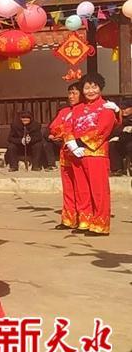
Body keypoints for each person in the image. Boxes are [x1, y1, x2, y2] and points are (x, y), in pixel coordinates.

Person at [66, 73, 118, 236]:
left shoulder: (106, 108)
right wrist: (71, 143)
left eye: (94, 87)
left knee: (98, 190)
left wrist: (80, 142)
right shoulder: (77, 109)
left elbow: (103, 130)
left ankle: (100, 224)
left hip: (96, 153)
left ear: (100, 88)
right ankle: (85, 220)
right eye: (87, 87)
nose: (90, 91)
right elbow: (68, 127)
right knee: (81, 189)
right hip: (77, 154)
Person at [49, 83, 84, 230]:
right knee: (68, 188)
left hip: (80, 154)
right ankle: (69, 219)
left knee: (81, 188)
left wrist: (65, 132)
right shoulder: (64, 111)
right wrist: (65, 133)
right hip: (65, 153)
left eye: (75, 93)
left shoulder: (85, 111)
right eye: (70, 93)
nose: (71, 96)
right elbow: (54, 128)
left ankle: (83, 219)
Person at [108, 97, 132, 176]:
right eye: (122, 108)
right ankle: (117, 169)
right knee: (112, 144)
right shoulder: (119, 118)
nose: (123, 110)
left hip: (129, 142)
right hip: (122, 142)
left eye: (126, 108)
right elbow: (115, 130)